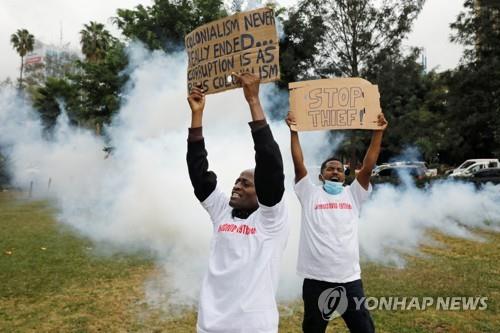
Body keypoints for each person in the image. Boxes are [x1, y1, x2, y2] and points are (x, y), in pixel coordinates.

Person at [186, 73, 289, 333]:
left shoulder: (271, 220)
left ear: (261, 192)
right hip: (210, 325)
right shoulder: (223, 212)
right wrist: (197, 115)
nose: (236, 186)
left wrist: (253, 100)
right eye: (237, 181)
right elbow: (199, 173)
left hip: (253, 327)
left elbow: (270, 164)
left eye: (245, 183)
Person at [286, 112, 388, 333]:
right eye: (330, 169)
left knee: (364, 330)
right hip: (316, 281)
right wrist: (294, 132)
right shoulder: (308, 193)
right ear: (321, 175)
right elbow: (298, 163)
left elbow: (369, 166)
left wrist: (378, 132)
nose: (335, 171)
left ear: (344, 176)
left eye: (339, 170)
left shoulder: (353, 194)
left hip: (349, 279)